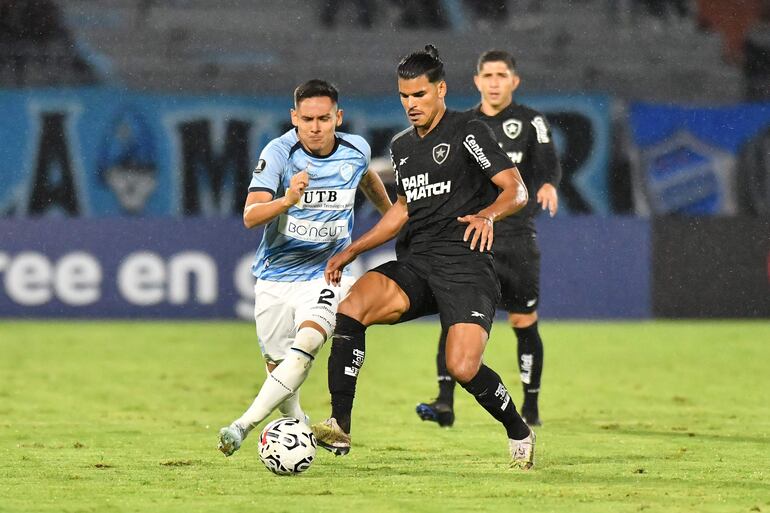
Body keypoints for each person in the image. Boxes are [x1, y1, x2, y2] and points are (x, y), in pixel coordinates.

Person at [312, 45, 537, 469]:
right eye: (404, 96)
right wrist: (354, 249)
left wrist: (488, 215)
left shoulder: (469, 131)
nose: (410, 105)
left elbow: (516, 190)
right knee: (353, 306)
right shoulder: (401, 147)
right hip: (417, 263)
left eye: (419, 95)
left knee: (463, 367)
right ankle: (339, 425)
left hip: (466, 266)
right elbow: (402, 209)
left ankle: (518, 429)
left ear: (441, 90)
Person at [217, 79, 391, 456]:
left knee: (308, 342)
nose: (315, 127)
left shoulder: (356, 149)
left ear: (337, 117)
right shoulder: (279, 153)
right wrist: (288, 200)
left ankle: (242, 425)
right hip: (276, 278)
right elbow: (250, 216)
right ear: (294, 117)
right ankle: (301, 431)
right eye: (307, 118)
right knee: (282, 372)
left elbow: (367, 178)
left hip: (327, 272)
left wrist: (392, 216)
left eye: (324, 118)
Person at [416, 49, 561, 428]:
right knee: (455, 319)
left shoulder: (531, 121)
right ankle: (445, 402)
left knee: (524, 320)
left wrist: (547, 183)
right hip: (476, 236)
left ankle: (530, 407)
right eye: (488, 75)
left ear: (514, 81)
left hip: (516, 238)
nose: (494, 82)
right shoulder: (464, 124)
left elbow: (547, 161)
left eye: (502, 75)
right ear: (477, 81)